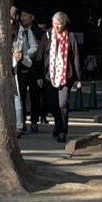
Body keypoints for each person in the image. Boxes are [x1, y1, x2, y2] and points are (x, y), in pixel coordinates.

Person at [40, 10, 80, 143]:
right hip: (50, 76)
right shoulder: (47, 36)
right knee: (51, 103)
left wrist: (78, 78)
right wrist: (39, 75)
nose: (56, 26)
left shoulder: (70, 36)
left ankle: (62, 131)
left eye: (59, 24)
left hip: (65, 75)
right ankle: (58, 124)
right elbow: (41, 55)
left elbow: (75, 57)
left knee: (62, 103)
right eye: (54, 23)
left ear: (64, 24)